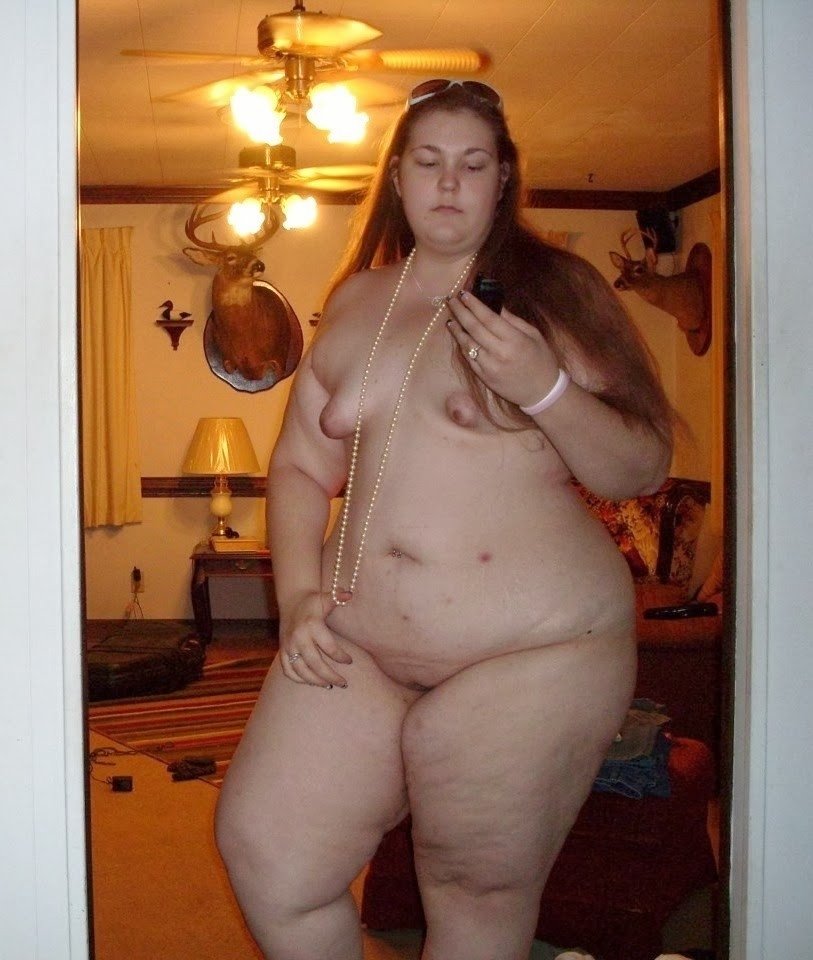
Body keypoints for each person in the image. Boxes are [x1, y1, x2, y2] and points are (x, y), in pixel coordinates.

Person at [215, 78, 675, 960]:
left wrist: (542, 387)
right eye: (428, 162)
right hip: (358, 643)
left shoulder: (557, 292)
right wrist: (298, 598)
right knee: (270, 856)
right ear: (397, 179)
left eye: (473, 163)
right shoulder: (357, 300)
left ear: (503, 179)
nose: (450, 183)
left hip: (532, 653)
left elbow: (639, 466)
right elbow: (303, 465)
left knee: (474, 886)